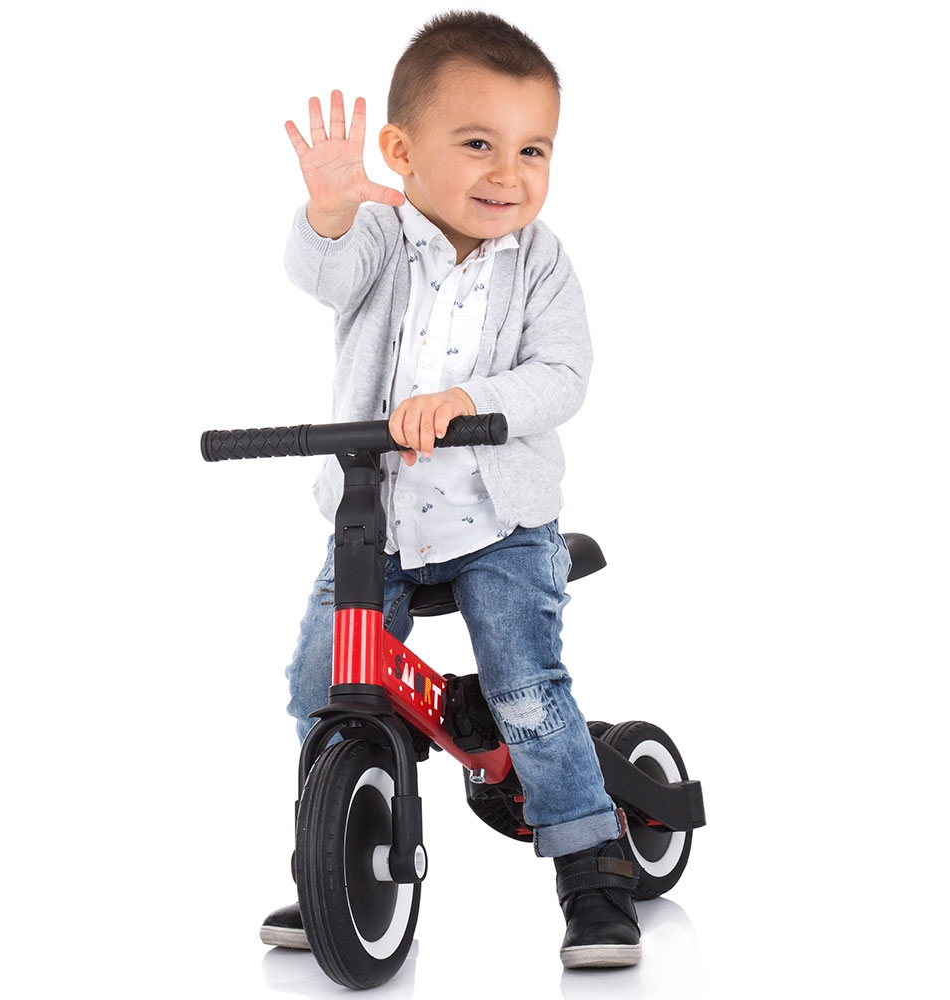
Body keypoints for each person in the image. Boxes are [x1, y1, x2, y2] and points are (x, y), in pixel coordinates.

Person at [261, 11, 641, 969]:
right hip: (377, 522)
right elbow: (323, 273)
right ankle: (334, 859)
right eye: (478, 145)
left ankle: (591, 862)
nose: (508, 173)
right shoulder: (381, 240)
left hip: (500, 524)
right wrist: (330, 211)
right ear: (402, 153)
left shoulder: (541, 261)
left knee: (525, 689)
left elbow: (564, 374)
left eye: (532, 149)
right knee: (320, 683)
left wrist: (472, 401)